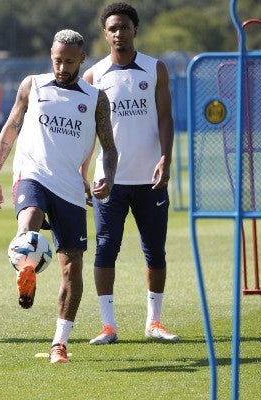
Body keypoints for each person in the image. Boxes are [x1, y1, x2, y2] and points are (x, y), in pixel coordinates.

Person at [0, 29, 118, 363]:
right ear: (51, 55)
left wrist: (109, 177)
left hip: (71, 189)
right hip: (32, 175)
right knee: (28, 226)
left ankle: (59, 343)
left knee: (72, 269)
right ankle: (25, 271)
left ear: (82, 60)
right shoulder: (33, 85)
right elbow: (11, 127)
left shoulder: (95, 98)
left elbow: (109, 147)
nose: (61, 67)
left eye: (69, 61)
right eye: (57, 60)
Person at [83, 2, 179, 345]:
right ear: (105, 33)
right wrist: (84, 174)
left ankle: (154, 323)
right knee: (106, 249)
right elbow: (85, 131)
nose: (118, 33)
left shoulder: (156, 69)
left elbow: (166, 117)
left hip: (150, 178)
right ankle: (108, 326)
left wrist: (166, 159)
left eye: (124, 26)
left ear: (134, 29)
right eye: (112, 28)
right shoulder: (93, 76)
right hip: (109, 181)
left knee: (156, 250)